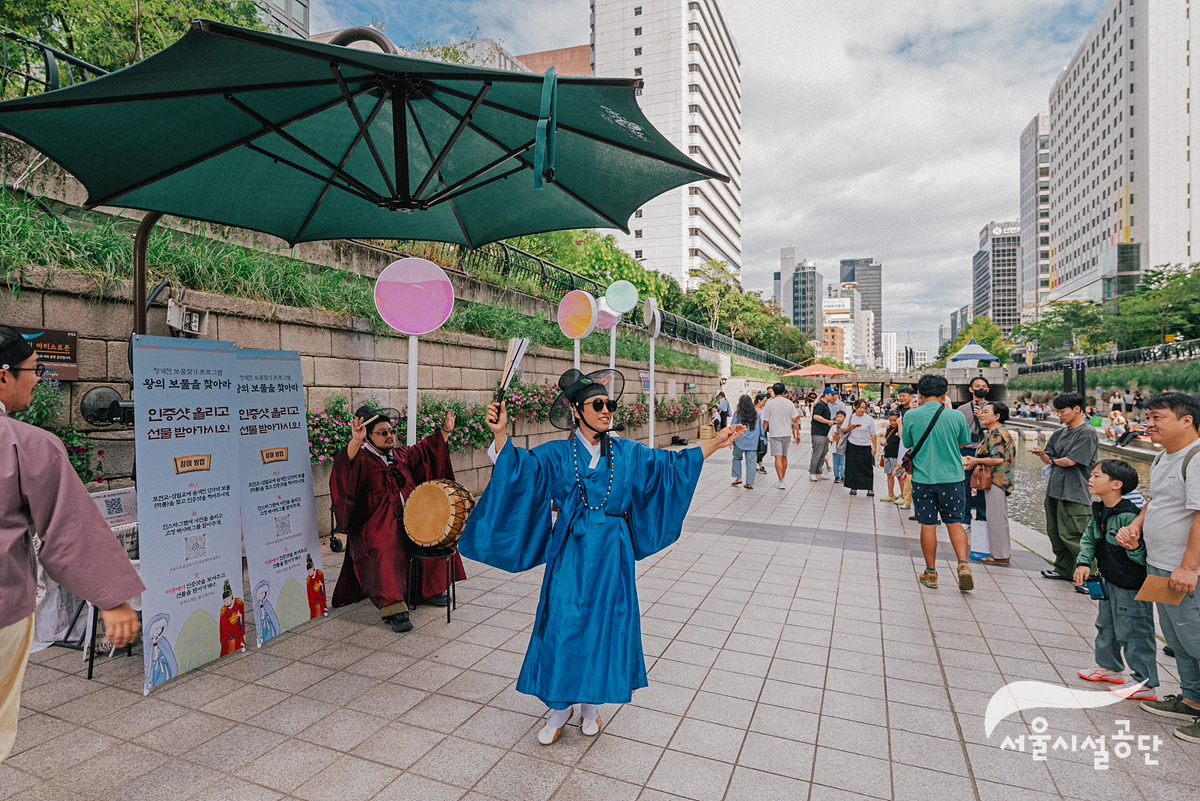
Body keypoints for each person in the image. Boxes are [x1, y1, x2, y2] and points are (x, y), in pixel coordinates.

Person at [459, 368, 745, 744]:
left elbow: (669, 466)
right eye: (598, 404)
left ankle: (592, 704)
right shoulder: (560, 453)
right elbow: (522, 469)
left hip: (613, 551)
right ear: (577, 412)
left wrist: (716, 444)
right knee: (563, 622)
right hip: (571, 551)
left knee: (606, 623)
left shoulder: (628, 452)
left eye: (610, 404)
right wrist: (500, 435)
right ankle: (559, 706)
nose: (608, 410)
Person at [0, 326, 143, 762]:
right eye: (33, 370)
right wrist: (113, 599)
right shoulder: (25, 445)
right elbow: (67, 530)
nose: (38, 378)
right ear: (2, 376)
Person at [330, 406, 465, 633]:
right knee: (385, 545)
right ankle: (394, 607)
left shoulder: (401, 455)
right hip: (375, 523)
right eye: (382, 433)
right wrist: (355, 441)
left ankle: (428, 590)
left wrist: (445, 430)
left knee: (431, 532)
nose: (389, 436)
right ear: (369, 437)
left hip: (410, 516)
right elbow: (346, 465)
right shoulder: (362, 458)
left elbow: (427, 450)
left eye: (391, 431)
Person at [1117, 393, 1200, 742]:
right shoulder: (1166, 455)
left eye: (1157, 417)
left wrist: (1188, 566)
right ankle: (1192, 700)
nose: (1148, 423)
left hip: (1185, 571)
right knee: (1179, 640)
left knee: (1196, 638)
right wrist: (1137, 525)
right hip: (1160, 565)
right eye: (1148, 417)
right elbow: (1157, 501)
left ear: (1186, 420)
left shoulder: (1196, 459)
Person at [1074, 460, 1158, 701]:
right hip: (1108, 579)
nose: (1090, 479)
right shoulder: (1100, 508)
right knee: (1106, 625)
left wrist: (1132, 547)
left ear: (1116, 484)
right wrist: (1083, 562)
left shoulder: (1130, 515)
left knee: (1134, 631)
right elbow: (1090, 537)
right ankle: (1109, 668)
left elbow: (1142, 555)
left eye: (1096, 475)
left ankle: (1145, 682)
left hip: (1130, 585)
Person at [904, 374, 974, 591]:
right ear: (945, 394)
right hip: (953, 478)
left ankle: (931, 573)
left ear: (919, 394)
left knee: (928, 523)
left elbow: (907, 442)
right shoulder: (956, 415)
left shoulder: (911, 415)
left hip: (924, 479)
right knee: (954, 522)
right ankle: (963, 565)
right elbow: (964, 442)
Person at [1033, 392, 1099, 586]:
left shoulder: (1087, 433)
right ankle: (1064, 569)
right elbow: (1050, 459)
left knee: (1076, 536)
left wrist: (1051, 459)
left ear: (1077, 409)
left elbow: (1070, 461)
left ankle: (1091, 577)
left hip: (1075, 492)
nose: (1059, 415)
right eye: (1057, 411)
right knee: (1055, 533)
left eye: (1062, 411)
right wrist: (1041, 454)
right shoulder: (1058, 433)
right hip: (1054, 490)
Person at [962, 402, 1015, 566]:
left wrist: (975, 460)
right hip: (1002, 480)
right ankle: (1002, 553)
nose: (982, 415)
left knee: (995, 518)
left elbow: (998, 459)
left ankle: (999, 556)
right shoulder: (1000, 432)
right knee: (1000, 517)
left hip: (996, 480)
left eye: (986, 412)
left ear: (997, 416)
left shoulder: (996, 434)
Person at [957, 377, 990, 529]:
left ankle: (982, 518)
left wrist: (982, 417)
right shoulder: (961, 410)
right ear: (971, 389)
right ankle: (965, 518)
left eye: (984, 386)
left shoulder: (993, 408)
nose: (981, 388)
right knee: (965, 485)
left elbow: (998, 428)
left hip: (985, 451)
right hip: (966, 449)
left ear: (988, 389)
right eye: (977, 386)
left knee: (984, 484)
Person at [763, 382, 797, 490]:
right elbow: (795, 419)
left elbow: (765, 421)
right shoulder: (789, 403)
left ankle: (781, 481)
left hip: (775, 433)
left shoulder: (769, 404)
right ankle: (783, 479)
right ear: (784, 391)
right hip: (786, 433)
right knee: (784, 456)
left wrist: (762, 433)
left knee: (778, 456)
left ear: (773, 391)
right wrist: (798, 433)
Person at [842, 399, 877, 497]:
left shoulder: (869, 419)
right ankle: (853, 487)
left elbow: (873, 434)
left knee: (867, 467)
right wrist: (850, 428)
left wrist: (874, 447)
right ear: (855, 407)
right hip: (852, 445)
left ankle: (869, 488)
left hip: (865, 446)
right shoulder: (850, 417)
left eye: (864, 408)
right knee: (852, 467)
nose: (862, 410)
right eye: (860, 407)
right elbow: (843, 429)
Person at [730, 394, 760, 490]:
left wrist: (731, 440)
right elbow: (760, 428)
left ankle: (738, 478)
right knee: (751, 463)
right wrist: (762, 438)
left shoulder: (737, 414)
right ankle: (749, 483)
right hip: (752, 443)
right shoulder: (756, 414)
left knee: (736, 458)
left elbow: (732, 428)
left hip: (740, 440)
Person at [808, 387, 836, 482]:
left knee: (823, 453)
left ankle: (819, 472)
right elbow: (816, 416)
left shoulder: (825, 405)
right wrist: (828, 421)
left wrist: (830, 420)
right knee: (817, 453)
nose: (833, 397)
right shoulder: (820, 404)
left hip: (825, 433)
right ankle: (812, 473)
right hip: (818, 433)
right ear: (826, 394)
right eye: (832, 395)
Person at [219, 580, 246, 656]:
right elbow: (223, 625)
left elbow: (243, 612)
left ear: (231, 596)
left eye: (227, 599)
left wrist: (240, 616)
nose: (226, 602)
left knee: (239, 641)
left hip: (238, 630)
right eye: (224, 600)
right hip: (230, 634)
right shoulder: (223, 610)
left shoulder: (238, 602)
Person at [879, 410, 902, 502]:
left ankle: (904, 496)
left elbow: (901, 437)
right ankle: (890, 494)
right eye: (890, 420)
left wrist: (900, 424)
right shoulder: (889, 428)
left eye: (894, 420)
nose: (892, 422)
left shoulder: (901, 428)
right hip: (888, 453)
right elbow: (886, 437)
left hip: (897, 455)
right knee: (889, 475)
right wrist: (883, 442)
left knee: (899, 476)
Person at [831, 411, 848, 483]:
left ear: (844, 418)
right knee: (835, 463)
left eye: (841, 417)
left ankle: (843, 476)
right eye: (837, 417)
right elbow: (829, 436)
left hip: (844, 449)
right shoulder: (834, 427)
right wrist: (833, 438)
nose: (839, 418)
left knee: (843, 463)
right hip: (836, 448)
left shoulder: (846, 428)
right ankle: (836, 476)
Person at [754, 394, 768, 475]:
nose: (765, 402)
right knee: (760, 449)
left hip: (764, 431)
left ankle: (756, 463)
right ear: (759, 401)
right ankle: (760, 465)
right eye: (764, 401)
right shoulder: (754, 410)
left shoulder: (764, 409)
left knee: (764, 449)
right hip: (757, 431)